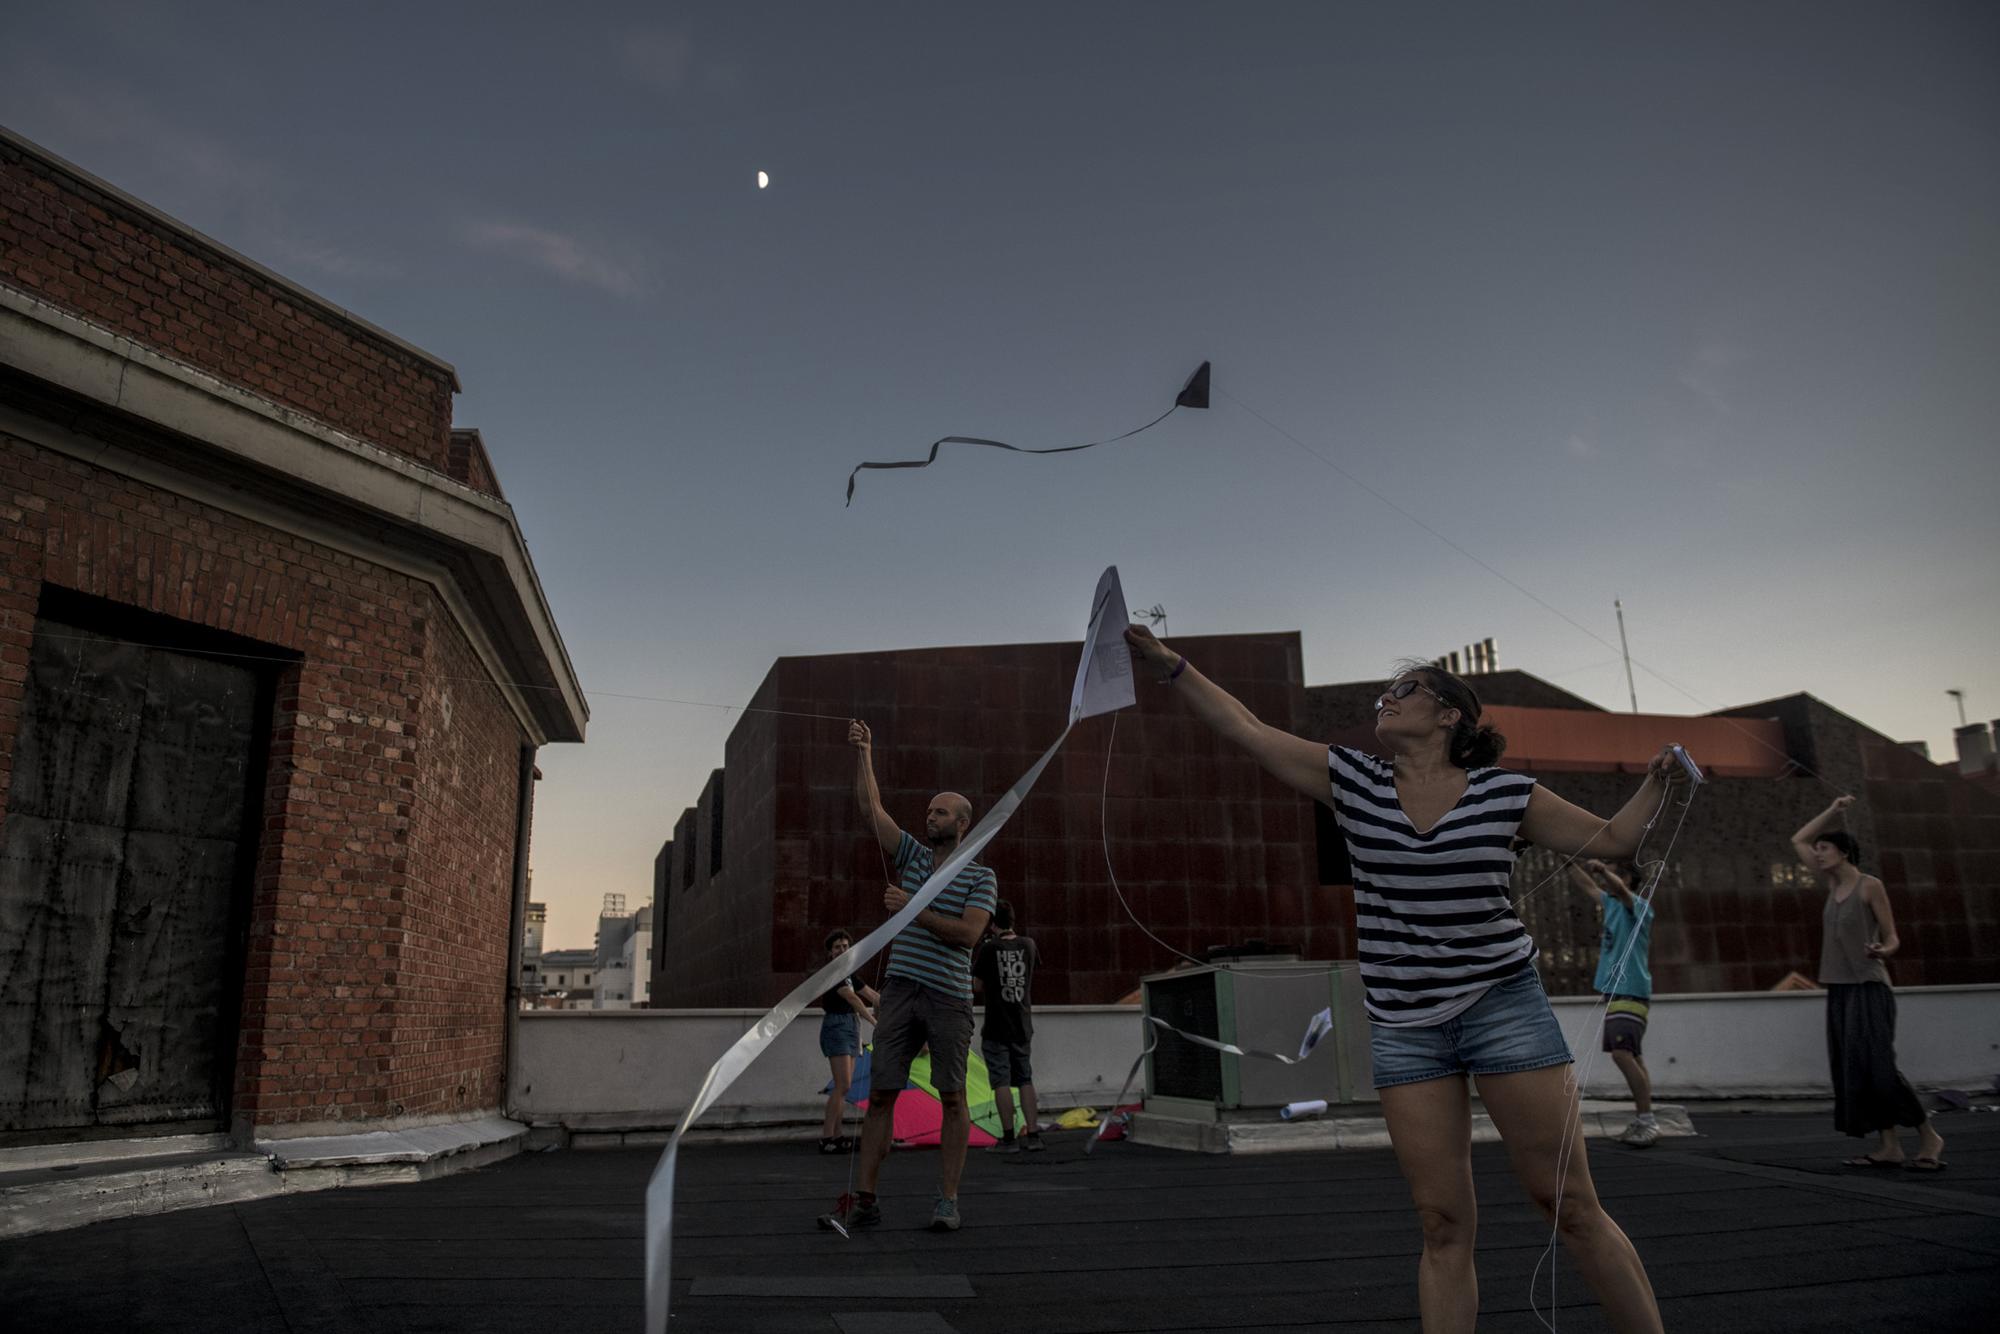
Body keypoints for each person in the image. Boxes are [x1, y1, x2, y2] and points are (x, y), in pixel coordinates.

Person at [1127, 626, 1681, 1334]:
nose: (1385, 700)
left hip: (1503, 1008)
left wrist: (1658, 780)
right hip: (1403, 1027)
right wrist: (1171, 665)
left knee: (1567, 1204)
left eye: (1405, 690)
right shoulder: (1353, 781)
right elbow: (1247, 727)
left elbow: (1615, 841)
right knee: (1441, 1222)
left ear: (1451, 715)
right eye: (1385, 692)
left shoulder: (1507, 793)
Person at [824, 719, 996, 1234]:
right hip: (900, 990)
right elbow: (870, 810)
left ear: (962, 823)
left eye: (940, 811)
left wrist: (912, 910)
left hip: (947, 996)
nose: (930, 816)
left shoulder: (980, 875)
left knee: (952, 1096)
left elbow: (968, 935)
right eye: (928, 810)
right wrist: (865, 753)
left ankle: (947, 1201)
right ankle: (868, 1198)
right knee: (880, 1094)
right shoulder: (913, 856)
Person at [1790, 796, 1945, 1171]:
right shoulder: (1830, 884)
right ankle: (1889, 1145)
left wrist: (1882, 951)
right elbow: (1798, 840)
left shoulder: (1869, 886)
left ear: (1843, 853)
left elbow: (1893, 937)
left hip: (1870, 987)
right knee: (1856, 1069)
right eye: (1820, 850)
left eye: (1825, 849)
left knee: (1879, 1067)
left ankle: (1929, 1135)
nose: (1819, 854)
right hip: (1840, 988)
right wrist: (1833, 808)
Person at [1565, 859, 1659, 1147]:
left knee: (1621, 1054)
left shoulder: (1639, 907)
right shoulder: (1611, 904)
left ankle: (1647, 1121)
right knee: (1632, 1056)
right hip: (1619, 994)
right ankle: (1645, 1118)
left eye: (1616, 874)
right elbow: (1588, 887)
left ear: (1628, 878)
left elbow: (1617, 888)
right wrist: (1566, 861)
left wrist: (1604, 870)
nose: (1609, 879)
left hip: (1630, 991)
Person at [972, 899, 1042, 1154]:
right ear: (1012, 920)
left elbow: (977, 986)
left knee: (1000, 1080)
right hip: (1022, 1023)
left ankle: (1009, 1138)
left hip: (996, 1025)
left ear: (992, 924)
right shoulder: (1029, 944)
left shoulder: (989, 949)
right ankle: (1034, 1135)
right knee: (1025, 1077)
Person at [817, 928, 878, 1154]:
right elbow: (852, 998)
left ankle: (838, 1134)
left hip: (851, 1026)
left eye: (845, 946)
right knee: (842, 1085)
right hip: (838, 1027)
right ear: (830, 953)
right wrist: (874, 1021)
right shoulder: (834, 973)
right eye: (837, 947)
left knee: (846, 1086)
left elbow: (871, 995)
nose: (842, 950)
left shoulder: (850, 973)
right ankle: (826, 1137)